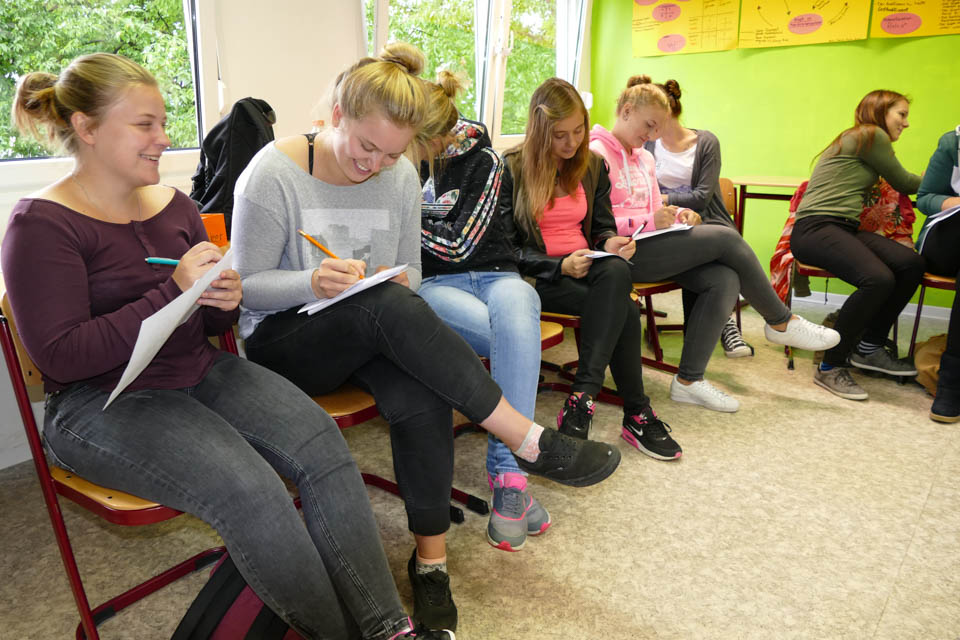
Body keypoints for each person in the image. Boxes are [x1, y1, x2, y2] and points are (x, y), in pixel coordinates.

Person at [3, 52, 452, 640]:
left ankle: (389, 629)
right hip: (101, 401)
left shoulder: (176, 207)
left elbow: (216, 324)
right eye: (145, 125)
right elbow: (61, 358)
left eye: (163, 123)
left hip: (198, 370)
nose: (164, 138)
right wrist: (171, 291)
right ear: (87, 128)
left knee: (325, 450)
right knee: (253, 492)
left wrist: (223, 298)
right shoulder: (40, 225)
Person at [230, 44, 620, 633]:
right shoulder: (272, 174)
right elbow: (246, 290)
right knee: (384, 306)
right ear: (335, 115)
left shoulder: (400, 176)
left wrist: (383, 282)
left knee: (424, 390)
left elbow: (410, 273)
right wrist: (312, 280)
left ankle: (431, 565)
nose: (375, 165)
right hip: (286, 339)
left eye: (392, 154)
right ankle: (525, 438)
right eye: (366, 147)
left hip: (369, 329)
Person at [588, 76, 841, 412]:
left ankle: (689, 382)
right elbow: (594, 225)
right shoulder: (596, 153)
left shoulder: (644, 158)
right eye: (649, 125)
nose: (652, 136)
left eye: (657, 129)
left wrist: (677, 216)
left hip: (651, 245)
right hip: (619, 254)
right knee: (724, 235)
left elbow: (655, 208)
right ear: (626, 111)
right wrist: (650, 220)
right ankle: (780, 321)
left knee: (724, 278)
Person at [498, 76, 682, 460]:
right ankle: (636, 413)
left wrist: (609, 243)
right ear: (539, 130)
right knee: (624, 307)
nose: (571, 143)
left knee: (616, 270)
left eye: (579, 131)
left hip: (589, 267)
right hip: (537, 277)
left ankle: (582, 398)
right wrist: (559, 265)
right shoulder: (511, 168)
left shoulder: (592, 165)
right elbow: (505, 249)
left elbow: (601, 228)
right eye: (560, 135)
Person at [415, 71, 550, 552]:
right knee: (517, 343)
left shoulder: (487, 161)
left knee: (521, 307)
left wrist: (409, 222)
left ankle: (507, 474)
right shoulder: (397, 161)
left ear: (436, 135)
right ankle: (512, 482)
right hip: (435, 285)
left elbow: (460, 244)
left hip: (496, 275)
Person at [791, 90, 925, 401]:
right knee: (877, 279)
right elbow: (905, 182)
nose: (906, 123)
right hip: (815, 228)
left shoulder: (862, 137)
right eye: (901, 114)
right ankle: (830, 365)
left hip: (842, 227)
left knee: (911, 264)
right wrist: (939, 179)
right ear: (880, 112)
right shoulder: (871, 134)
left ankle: (869, 347)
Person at [640, 78, 753, 359]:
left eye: (653, 120)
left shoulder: (705, 142)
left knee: (701, 251)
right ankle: (723, 324)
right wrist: (666, 204)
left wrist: (663, 198)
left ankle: (719, 324)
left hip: (708, 219)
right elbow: (643, 193)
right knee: (693, 250)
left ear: (667, 112)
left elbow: (702, 197)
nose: (649, 128)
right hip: (667, 223)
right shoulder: (648, 146)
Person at [916, 126, 960, 421]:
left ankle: (951, 382)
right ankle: (951, 385)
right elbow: (925, 198)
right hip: (945, 242)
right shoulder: (952, 142)